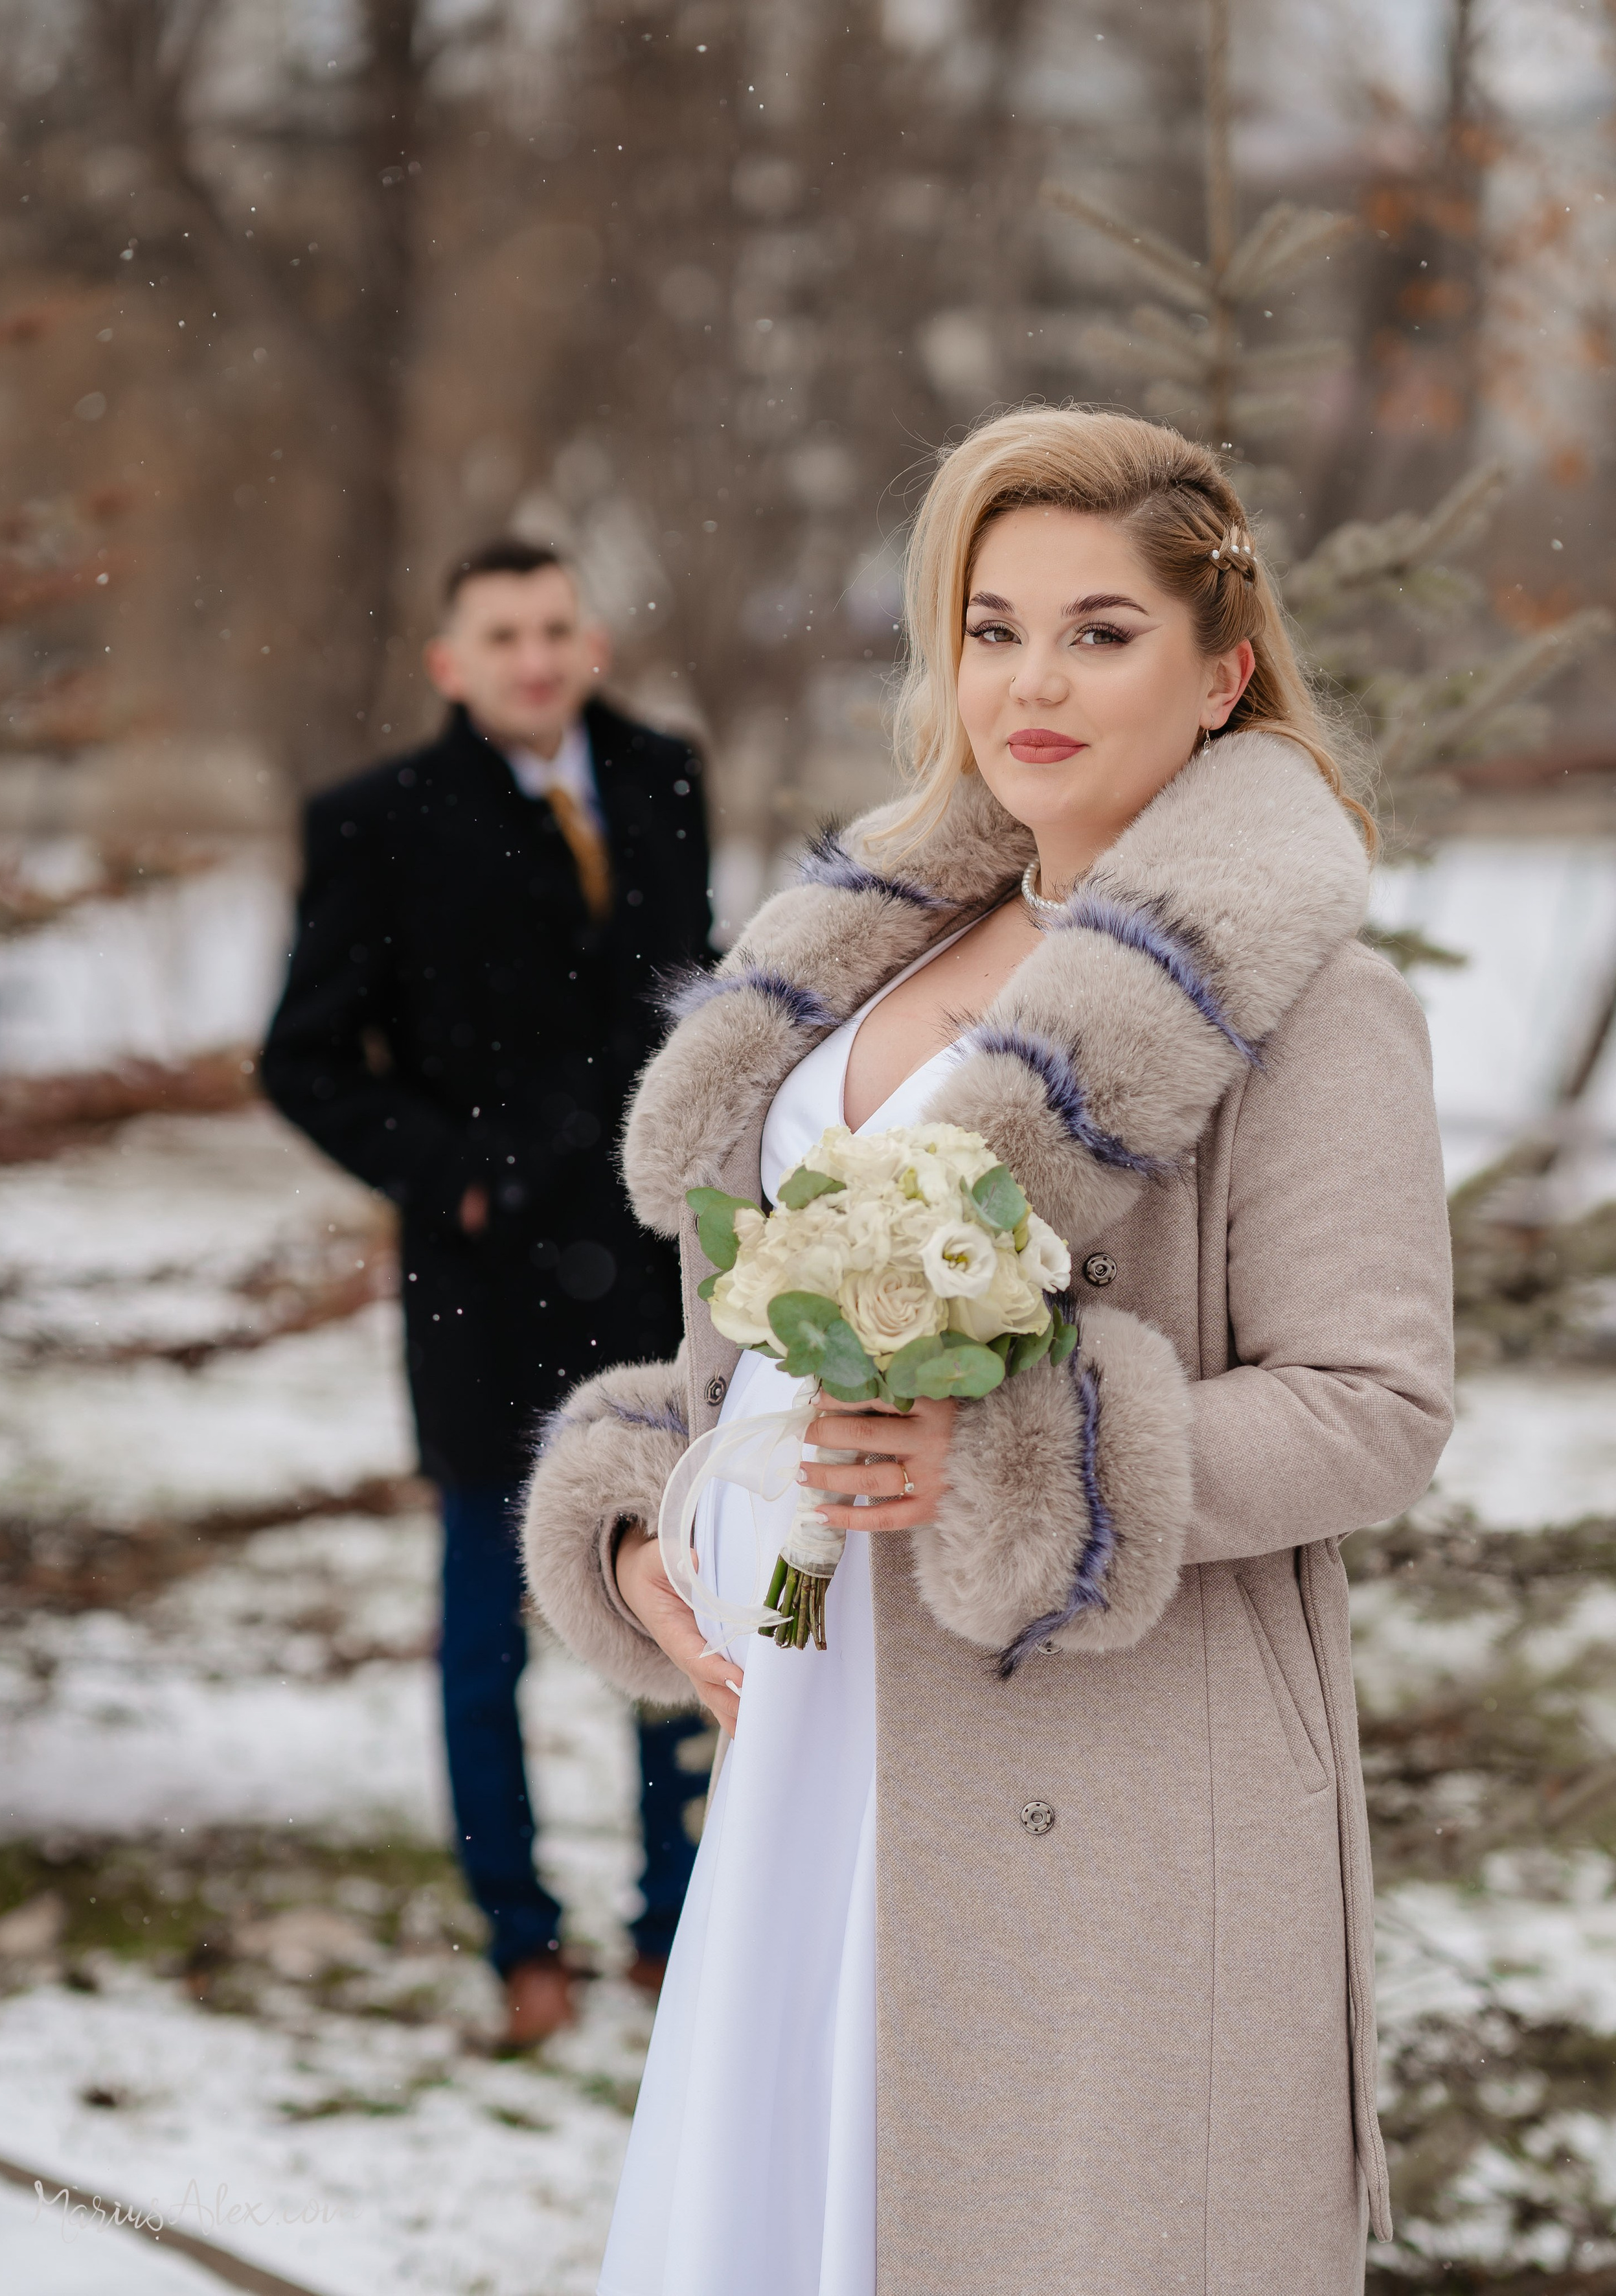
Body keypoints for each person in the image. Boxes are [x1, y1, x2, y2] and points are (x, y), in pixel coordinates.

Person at [519, 409, 1456, 2294]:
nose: (1032, 680)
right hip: (813, 1735)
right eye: (992, 624)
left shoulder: (1312, 1006)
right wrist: (639, 1526)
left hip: (1106, 1777)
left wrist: (1032, 1464)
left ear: (1224, 672)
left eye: (1104, 632)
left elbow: (1376, 1408)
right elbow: (735, 1358)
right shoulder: (853, 960)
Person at [261, 538, 714, 2049]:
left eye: (555, 628)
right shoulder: (378, 821)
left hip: (655, 1268)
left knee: (681, 1590)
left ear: (589, 642)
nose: (533, 656)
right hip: (485, 1285)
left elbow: (683, 986)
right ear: (451, 661)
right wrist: (447, 1170)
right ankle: (520, 1938)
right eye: (501, 634)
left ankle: (675, 1925)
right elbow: (304, 1056)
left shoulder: (661, 774)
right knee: (484, 1628)